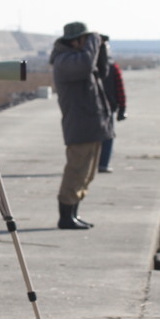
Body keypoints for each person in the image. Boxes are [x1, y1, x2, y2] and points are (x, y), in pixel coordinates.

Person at [50, 21, 114, 230]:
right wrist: (94, 41)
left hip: (91, 123)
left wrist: (101, 48)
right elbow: (86, 65)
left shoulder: (78, 58)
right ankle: (65, 217)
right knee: (76, 170)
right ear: (75, 41)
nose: (89, 44)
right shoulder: (65, 60)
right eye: (86, 40)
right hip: (79, 124)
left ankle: (73, 213)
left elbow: (102, 71)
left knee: (87, 173)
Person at [98, 40, 127, 174]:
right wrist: (122, 108)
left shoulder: (87, 66)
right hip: (108, 107)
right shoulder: (113, 66)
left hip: (93, 108)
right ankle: (103, 164)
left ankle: (94, 163)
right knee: (107, 136)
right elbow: (120, 90)